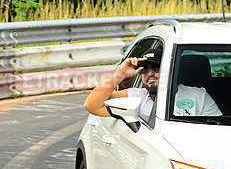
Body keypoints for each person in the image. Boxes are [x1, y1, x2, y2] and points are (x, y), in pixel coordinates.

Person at [84, 48, 221, 120]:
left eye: (155, 68)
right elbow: (91, 105)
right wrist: (120, 74)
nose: (150, 73)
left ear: (170, 69)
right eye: (144, 69)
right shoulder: (137, 96)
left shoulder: (199, 95)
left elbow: (216, 130)